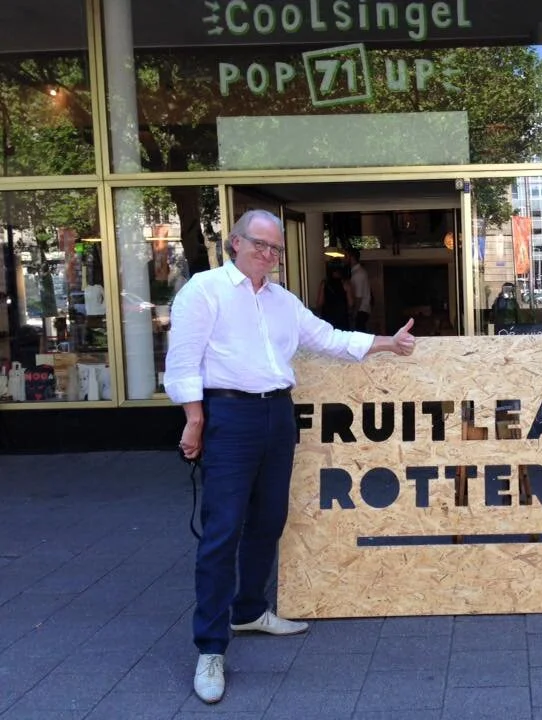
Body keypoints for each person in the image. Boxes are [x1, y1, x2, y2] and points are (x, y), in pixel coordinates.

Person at [164, 210, 416, 704]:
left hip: (277, 414)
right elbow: (183, 361)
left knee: (268, 520)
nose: (268, 254)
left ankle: (249, 610)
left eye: (275, 248)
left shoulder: (283, 301)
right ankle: (210, 648)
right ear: (235, 242)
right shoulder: (204, 290)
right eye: (260, 244)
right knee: (222, 531)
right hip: (228, 415)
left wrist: (388, 343)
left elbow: (328, 338)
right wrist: (194, 420)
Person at [315, 263, 353, 331]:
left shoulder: (324, 283)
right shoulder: (346, 284)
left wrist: (319, 314)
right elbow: (351, 303)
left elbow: (319, 303)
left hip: (327, 318)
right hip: (342, 318)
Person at [344, 246, 371, 331]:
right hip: (361, 310)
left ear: (352, 257)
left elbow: (358, 297)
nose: (344, 259)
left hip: (360, 310)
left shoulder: (358, 273)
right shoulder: (357, 272)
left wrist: (354, 313)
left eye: (346, 256)